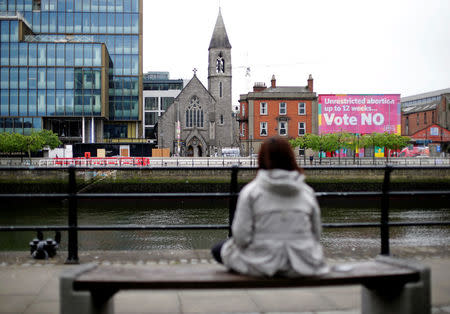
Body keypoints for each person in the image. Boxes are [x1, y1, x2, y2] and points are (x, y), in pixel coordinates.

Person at [211, 137, 328, 277]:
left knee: (218, 249)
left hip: (263, 263)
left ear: (261, 158)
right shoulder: (307, 192)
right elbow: (316, 234)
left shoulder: (251, 192)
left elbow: (241, 237)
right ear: (291, 158)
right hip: (303, 263)